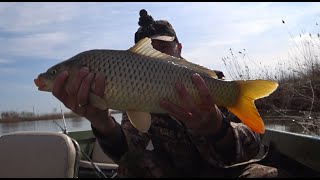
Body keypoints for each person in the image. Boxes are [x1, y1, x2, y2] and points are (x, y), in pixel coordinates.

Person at [52, 9, 280, 178]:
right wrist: (103, 123)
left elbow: (253, 146)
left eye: (162, 50)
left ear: (179, 49)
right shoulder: (134, 101)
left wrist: (217, 128)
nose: (154, 59)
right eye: (148, 52)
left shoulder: (210, 88)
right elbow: (130, 156)